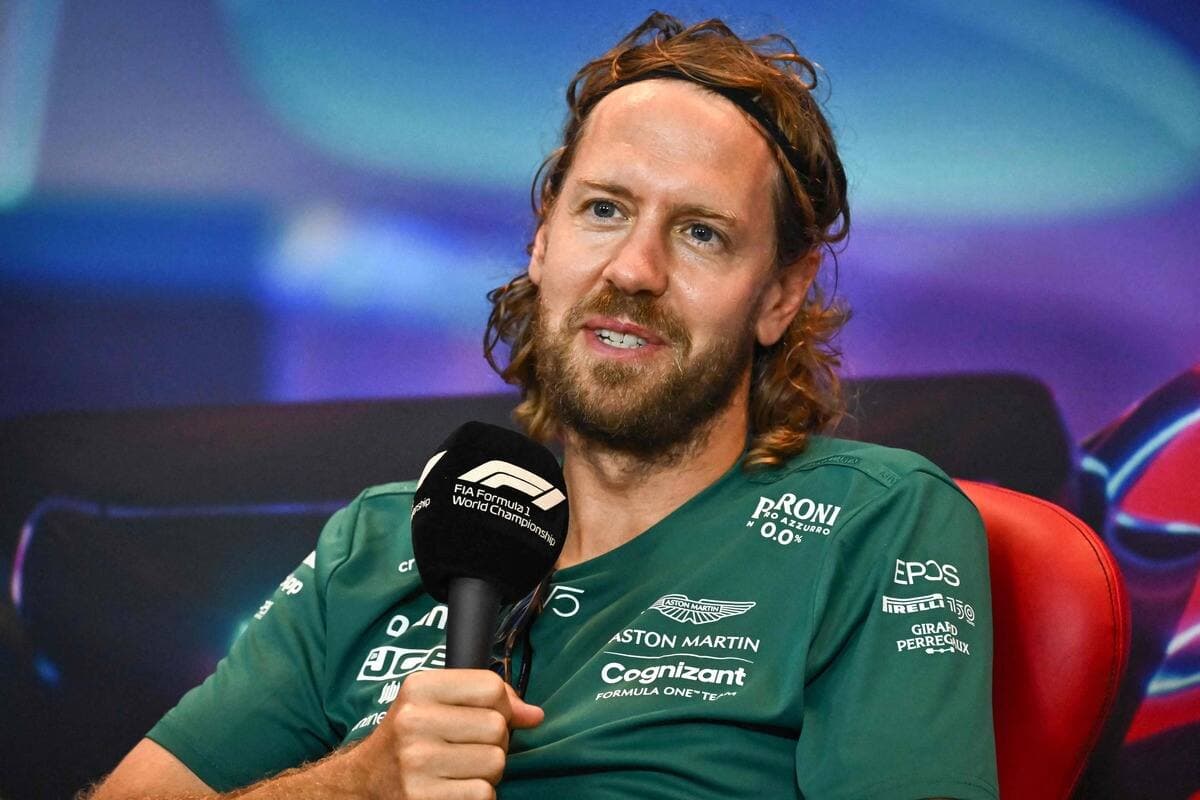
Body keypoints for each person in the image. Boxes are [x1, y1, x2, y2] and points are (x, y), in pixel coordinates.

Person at [89, 12, 997, 800]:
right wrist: (358, 783)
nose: (633, 270)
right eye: (604, 210)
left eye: (700, 233)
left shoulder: (874, 523)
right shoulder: (375, 544)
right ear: (542, 238)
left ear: (779, 296)